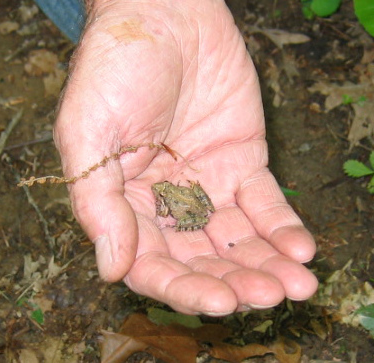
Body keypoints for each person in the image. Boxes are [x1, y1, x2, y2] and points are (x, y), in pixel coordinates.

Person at [37, 0, 318, 315]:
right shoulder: (165, 192)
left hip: (194, 207)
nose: (159, 193)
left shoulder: (167, 198)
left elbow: (171, 204)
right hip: (193, 199)